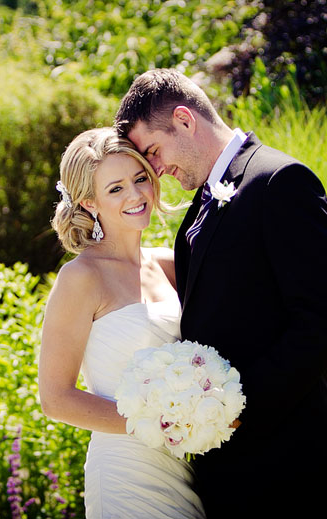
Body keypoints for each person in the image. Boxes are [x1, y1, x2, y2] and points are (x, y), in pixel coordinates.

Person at [115, 69, 327, 518]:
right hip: (225, 474)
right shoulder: (200, 205)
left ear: (185, 121)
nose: (157, 170)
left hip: (288, 463)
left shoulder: (279, 181)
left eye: (154, 151)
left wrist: (240, 405)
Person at [37, 127, 205, 519]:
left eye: (140, 178)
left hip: (189, 465)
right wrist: (161, 423)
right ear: (89, 202)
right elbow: (56, 398)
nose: (135, 195)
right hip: (126, 473)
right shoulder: (81, 279)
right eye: (116, 189)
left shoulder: (170, 265)